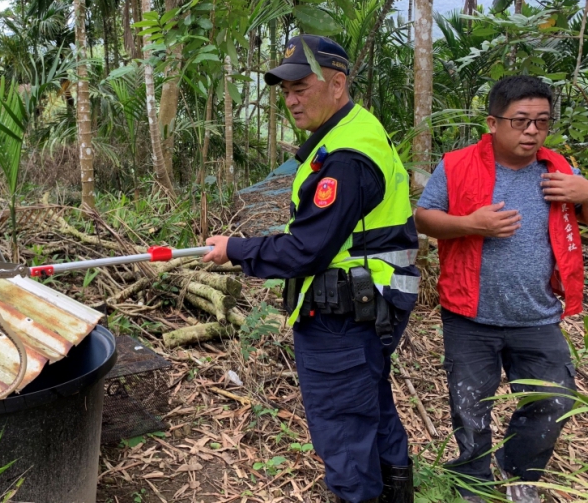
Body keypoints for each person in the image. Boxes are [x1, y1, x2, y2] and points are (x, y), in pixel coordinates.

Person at [202, 35, 420, 503]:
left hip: (345, 314)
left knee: (343, 428)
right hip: (371, 305)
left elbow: (307, 249)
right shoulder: (353, 131)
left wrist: (236, 248)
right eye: (285, 92)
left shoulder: (345, 157)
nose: (292, 100)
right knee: (372, 409)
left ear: (337, 84)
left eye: (301, 87)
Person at [414, 75, 584, 503]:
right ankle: (472, 479)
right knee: (470, 408)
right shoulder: (456, 165)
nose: (532, 131)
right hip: (470, 315)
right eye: (521, 121)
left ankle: (519, 471)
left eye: (542, 122)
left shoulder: (559, 169)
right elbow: (424, 217)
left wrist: (585, 193)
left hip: (537, 316)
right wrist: (471, 224)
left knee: (555, 401)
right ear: (493, 122)